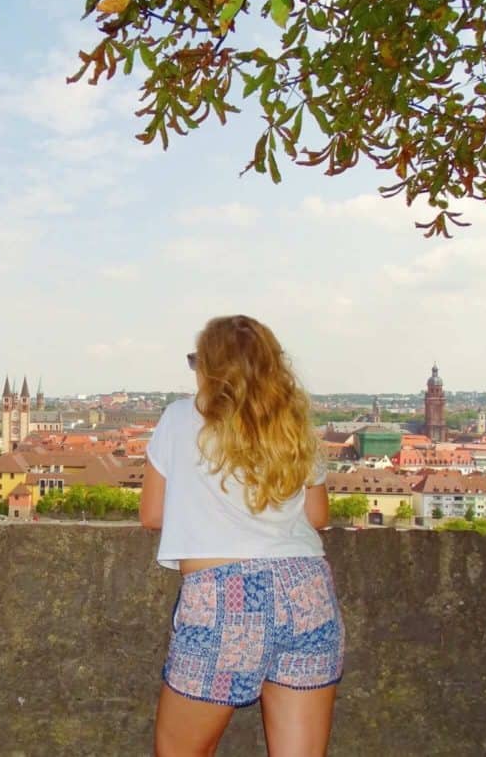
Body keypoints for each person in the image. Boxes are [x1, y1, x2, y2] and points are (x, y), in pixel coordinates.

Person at [140, 315, 344, 757]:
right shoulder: (292, 424)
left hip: (225, 595)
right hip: (305, 590)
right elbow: (318, 514)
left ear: (209, 369)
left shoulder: (179, 417)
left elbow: (153, 514)